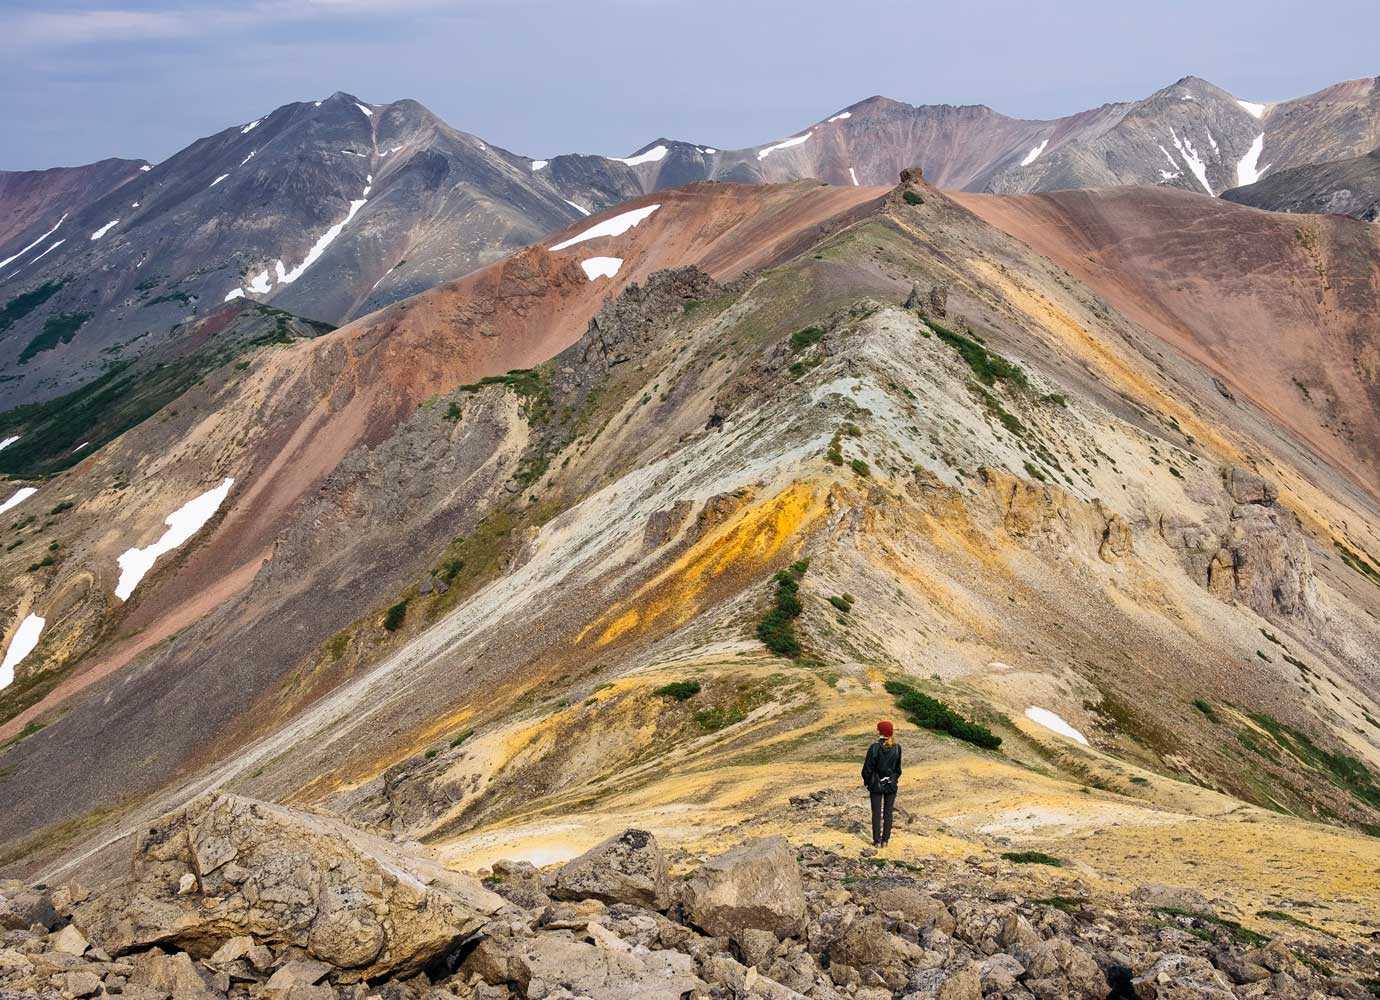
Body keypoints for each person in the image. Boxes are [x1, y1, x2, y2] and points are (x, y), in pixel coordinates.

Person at [862, 719, 902, 848]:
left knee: (876, 813)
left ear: (880, 731)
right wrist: (893, 779)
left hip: (875, 785)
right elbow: (898, 769)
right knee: (888, 813)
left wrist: (868, 782)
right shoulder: (897, 747)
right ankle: (885, 840)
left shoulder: (874, 747)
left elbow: (867, 769)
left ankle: (877, 841)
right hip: (891, 784)